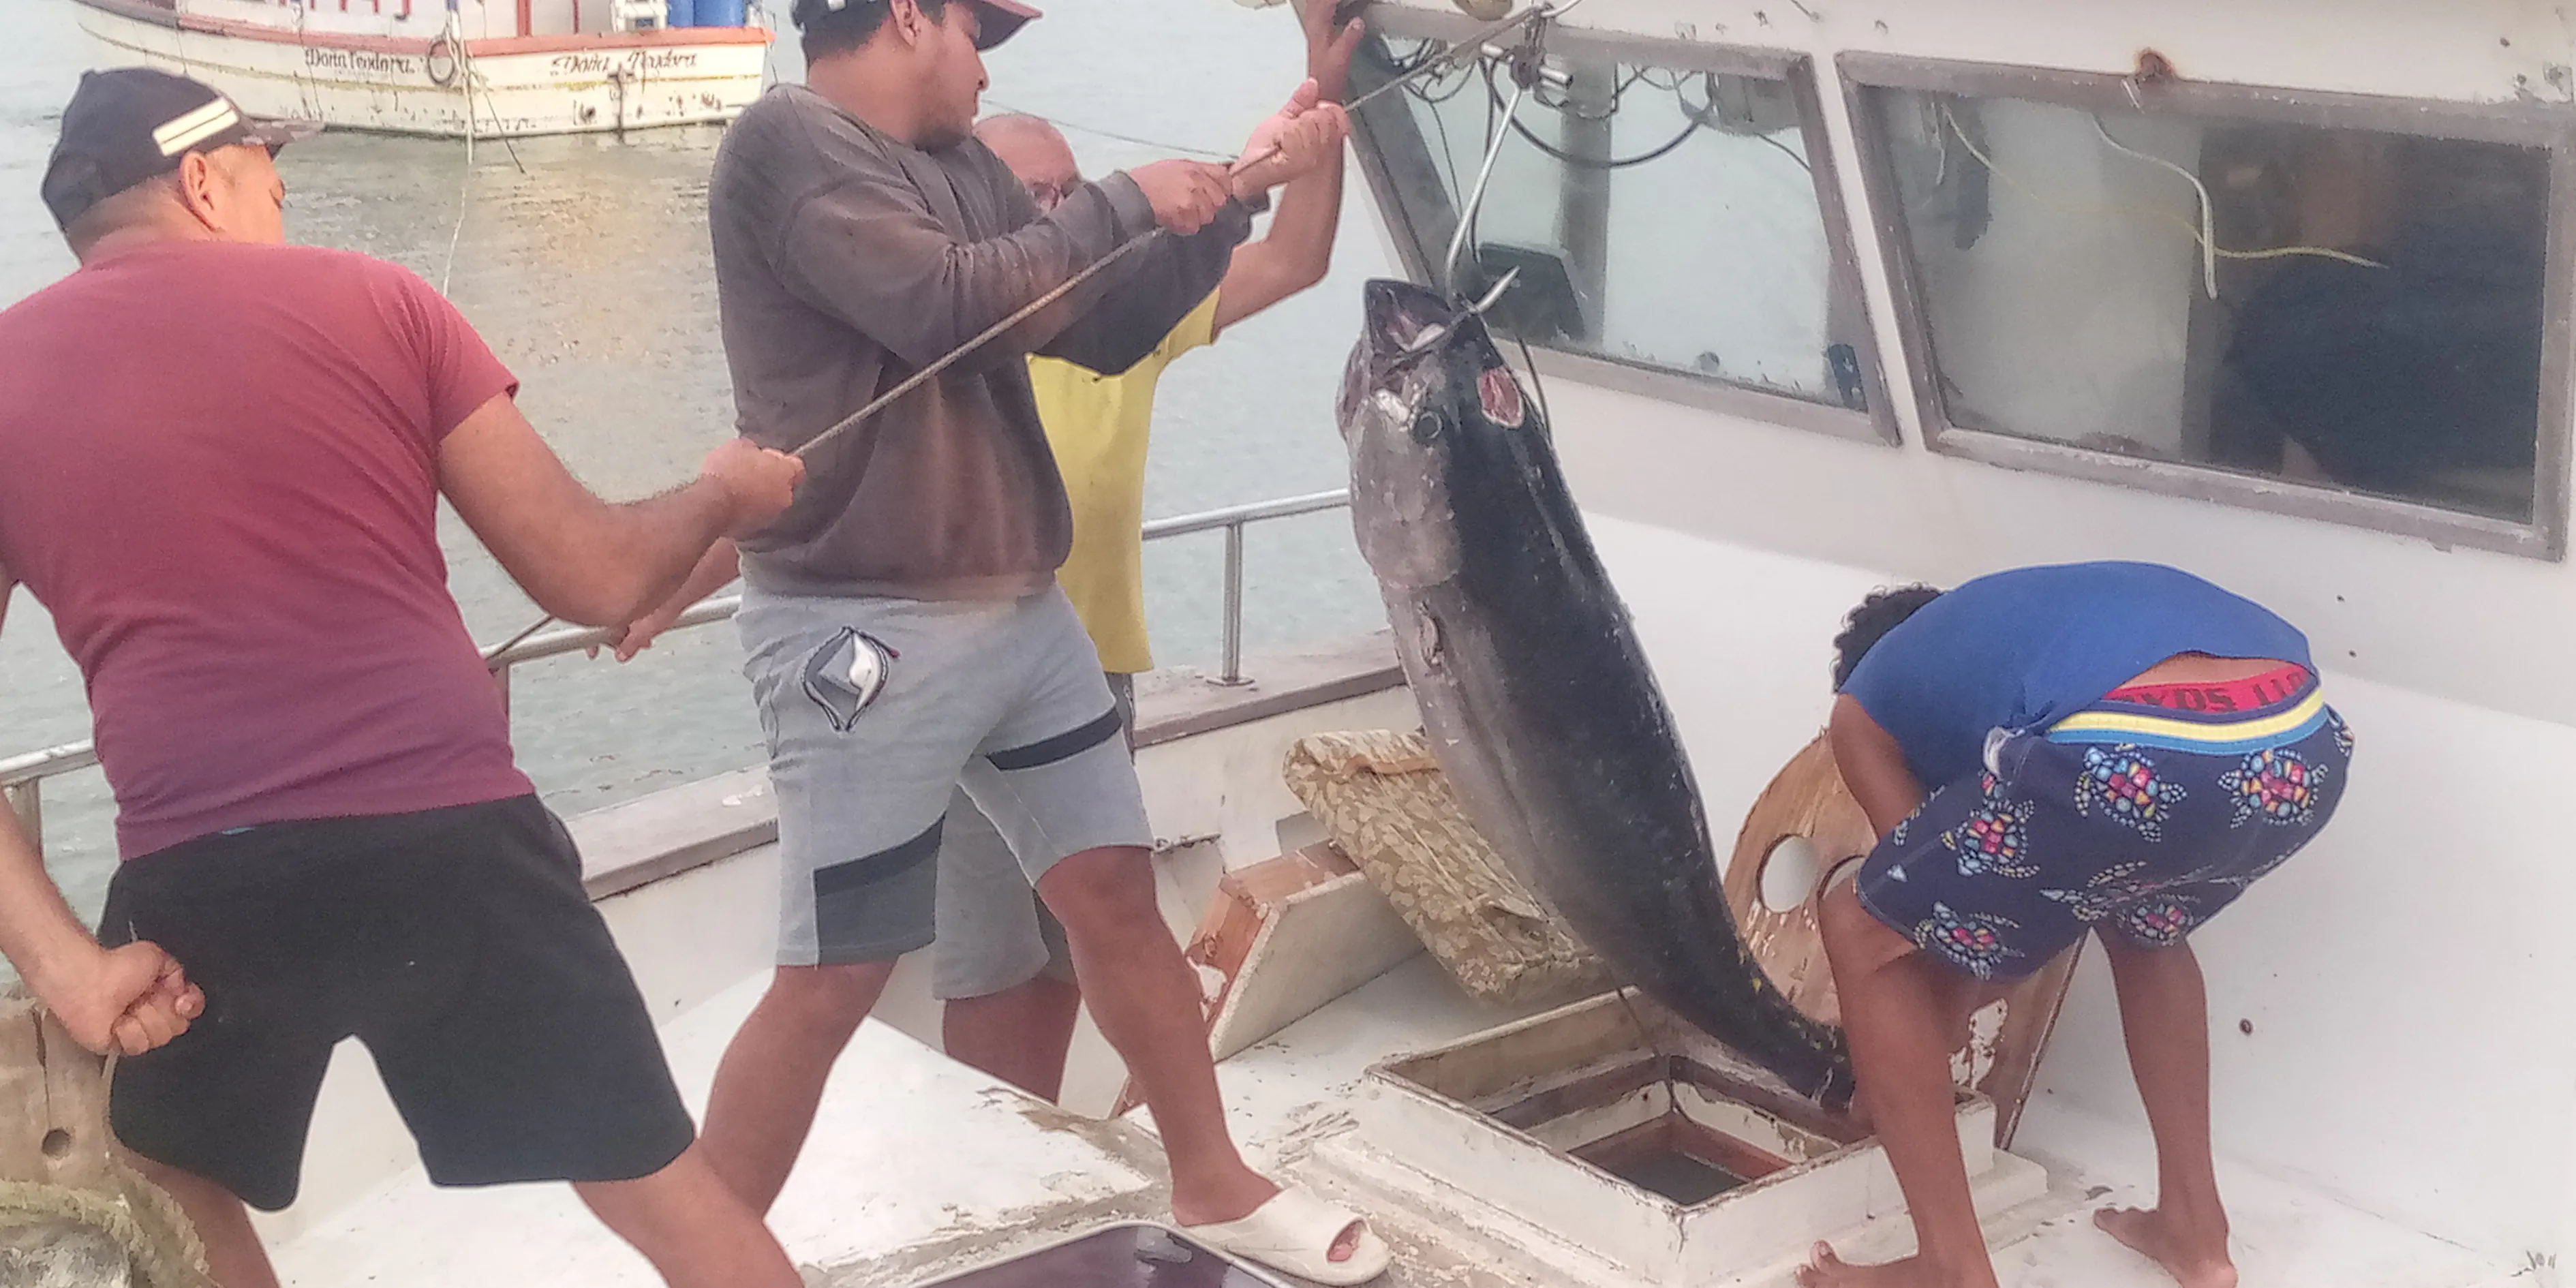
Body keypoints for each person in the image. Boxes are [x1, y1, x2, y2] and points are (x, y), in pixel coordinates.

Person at [612, 0, 1386, 1282]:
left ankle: (1213, 1180)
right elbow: (945, 305)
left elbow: (1092, 321)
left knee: (1115, 898)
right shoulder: (785, 148)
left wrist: (1233, 193)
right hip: (863, 633)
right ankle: (704, 1265)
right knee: (836, 972)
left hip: (1026, 614)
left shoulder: (962, 166)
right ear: (908, 13)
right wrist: (1128, 197)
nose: (986, 68)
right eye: (982, 35)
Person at [0, 69, 810, 1288]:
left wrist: (67, 969)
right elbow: (595, 577)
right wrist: (723, 496)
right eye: (271, 180)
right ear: (204, 181)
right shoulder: (382, 300)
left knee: (168, 1176)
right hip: (456, 847)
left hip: (204, 874)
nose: (282, 207)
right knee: (657, 1185)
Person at [922, 0, 1361, 1105]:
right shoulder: (946, 328)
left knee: (1073, 945)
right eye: (1033, 196)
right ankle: (994, 1156)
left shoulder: (1125, 314)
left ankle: (1049, 1139)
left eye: (1072, 192)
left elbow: (1295, 258)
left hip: (1092, 680)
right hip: (968, 691)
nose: (1059, 212)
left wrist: (1324, 100)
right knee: (988, 964)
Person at [1803, 562, 2352, 1288]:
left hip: (2132, 750)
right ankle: (2195, 1231)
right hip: (2302, 746)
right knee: (2143, 926)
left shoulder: (1863, 705)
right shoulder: (2014, 627)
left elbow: (1929, 930)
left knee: (1857, 928)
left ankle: (1951, 1267)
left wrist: (1890, 1076)